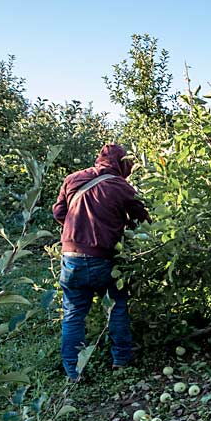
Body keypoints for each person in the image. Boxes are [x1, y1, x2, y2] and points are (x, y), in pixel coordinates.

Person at [53, 143, 150, 381]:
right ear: (122, 163)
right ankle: (121, 359)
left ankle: (73, 371)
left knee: (74, 313)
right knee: (117, 305)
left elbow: (58, 213)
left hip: (72, 257)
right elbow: (142, 220)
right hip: (104, 258)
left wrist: (79, 230)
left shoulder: (73, 179)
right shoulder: (121, 187)